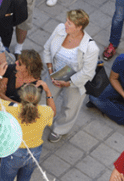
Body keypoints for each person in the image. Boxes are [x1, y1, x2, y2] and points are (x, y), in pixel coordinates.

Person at [43, 9, 100, 143]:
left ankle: (59, 129)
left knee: (70, 106)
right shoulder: (60, 29)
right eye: (66, 21)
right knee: (44, 97)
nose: (65, 25)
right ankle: (39, 119)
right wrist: (50, 70)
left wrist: (67, 83)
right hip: (55, 72)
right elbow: (47, 48)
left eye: (69, 23)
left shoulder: (91, 48)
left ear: (79, 27)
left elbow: (87, 73)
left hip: (75, 79)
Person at [0, 82, 55, 181]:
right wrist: (48, 90)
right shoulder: (45, 111)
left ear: (21, 96)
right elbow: (53, 111)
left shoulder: (11, 108)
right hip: (34, 153)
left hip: (13, 152)